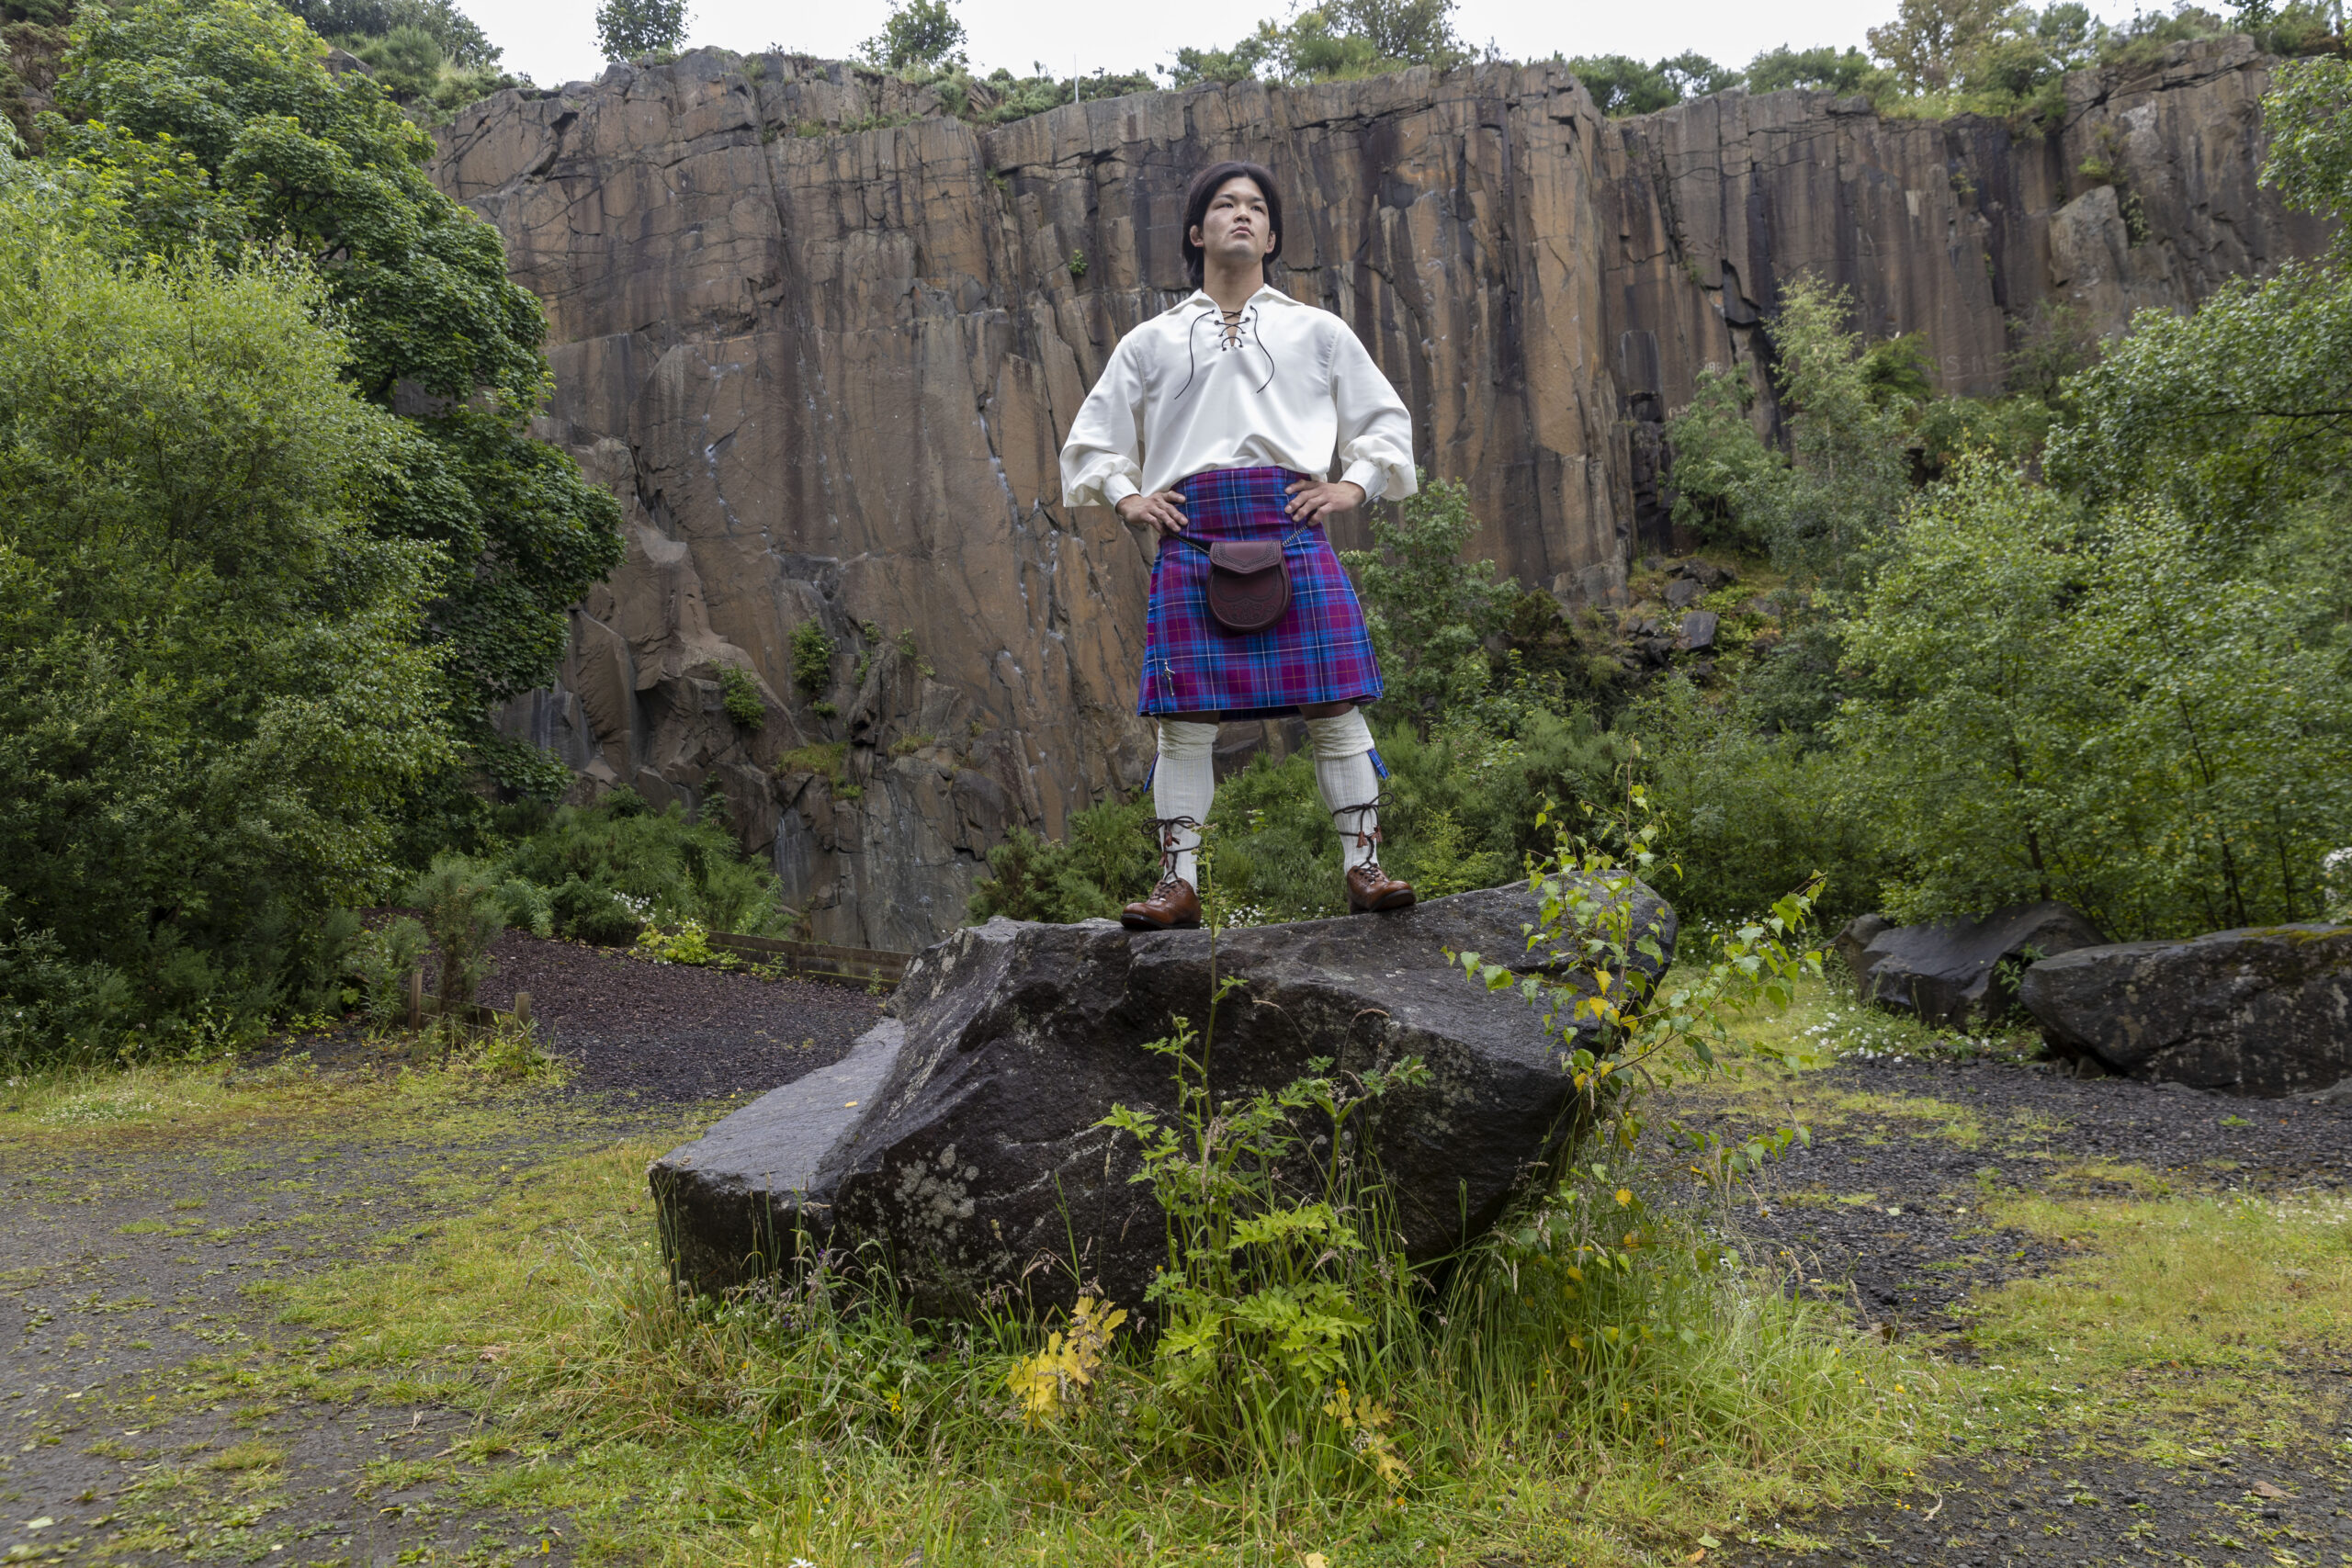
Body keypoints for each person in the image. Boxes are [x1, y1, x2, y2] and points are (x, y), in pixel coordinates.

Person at [1059, 159, 1419, 931]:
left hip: (1290, 521)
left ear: (1272, 234)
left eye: (1257, 206)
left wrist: (1350, 487)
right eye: (1226, 205)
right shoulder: (1152, 341)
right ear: (1198, 232)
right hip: (1192, 529)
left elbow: (1384, 424)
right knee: (1184, 721)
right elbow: (1091, 442)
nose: (1243, 215)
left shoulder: (1317, 331)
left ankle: (1363, 866)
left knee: (1335, 707)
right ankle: (1177, 884)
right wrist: (1128, 496)